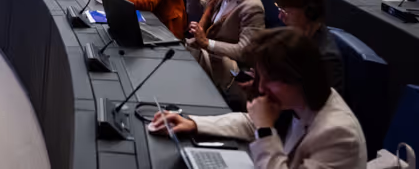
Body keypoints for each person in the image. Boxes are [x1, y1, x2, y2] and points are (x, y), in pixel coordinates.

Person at [150, 29, 367, 169]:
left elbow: (260, 124)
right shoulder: (299, 98)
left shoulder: (339, 134)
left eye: (270, 80)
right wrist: (194, 123)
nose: (261, 87)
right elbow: (251, 120)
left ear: (297, 79)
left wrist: (265, 130)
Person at [185, 0, 265, 90]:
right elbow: (194, 11)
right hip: (203, 57)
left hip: (225, 71)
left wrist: (207, 43)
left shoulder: (252, 7)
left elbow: (245, 51)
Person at [274, 0, 345, 94]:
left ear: (310, 12)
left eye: (285, 11)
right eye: (279, 9)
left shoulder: (325, 58)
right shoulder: (296, 36)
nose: (280, 16)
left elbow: (318, 108)